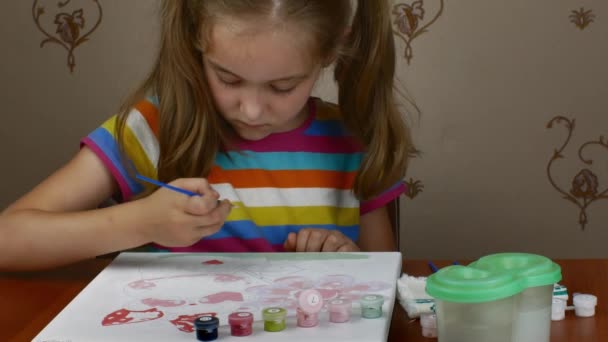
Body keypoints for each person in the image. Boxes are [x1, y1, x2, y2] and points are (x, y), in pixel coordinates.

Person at [0, 0, 415, 270]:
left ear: (329, 52)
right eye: (228, 78)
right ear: (196, 40)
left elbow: (383, 276)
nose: (250, 110)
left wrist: (347, 263)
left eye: (282, 86)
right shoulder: (152, 130)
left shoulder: (350, 144)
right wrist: (141, 222)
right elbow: (8, 239)